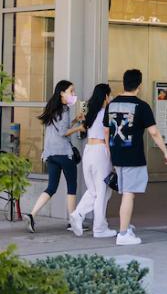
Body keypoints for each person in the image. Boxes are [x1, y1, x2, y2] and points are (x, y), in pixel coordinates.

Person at [104, 68, 167, 246]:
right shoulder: (142, 106)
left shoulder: (111, 105)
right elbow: (154, 132)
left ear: (124, 83)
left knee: (127, 192)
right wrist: (165, 151)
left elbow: (106, 130)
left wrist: (110, 150)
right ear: (139, 86)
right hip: (133, 156)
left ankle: (126, 226)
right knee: (128, 193)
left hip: (117, 154)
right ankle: (123, 234)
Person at [26, 80, 81, 233]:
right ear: (62, 93)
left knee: (51, 187)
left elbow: (60, 127)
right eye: (71, 91)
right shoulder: (64, 110)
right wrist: (80, 127)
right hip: (64, 153)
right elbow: (63, 132)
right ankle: (72, 222)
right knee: (72, 187)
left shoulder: (52, 108)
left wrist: (76, 120)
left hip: (50, 154)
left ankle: (32, 214)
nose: (74, 94)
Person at [68, 83, 117, 239]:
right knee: (102, 192)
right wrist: (112, 158)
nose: (111, 98)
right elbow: (108, 136)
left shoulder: (90, 113)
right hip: (101, 152)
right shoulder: (106, 114)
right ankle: (99, 228)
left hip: (88, 150)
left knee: (94, 191)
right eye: (110, 95)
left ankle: (78, 214)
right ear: (105, 97)